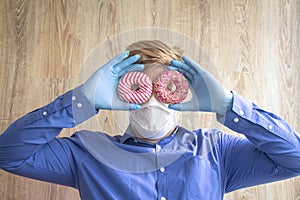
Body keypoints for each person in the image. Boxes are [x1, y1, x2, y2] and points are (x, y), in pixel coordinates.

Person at [0, 40, 299, 200]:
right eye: (139, 88)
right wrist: (81, 101)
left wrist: (229, 105)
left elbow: (295, 158)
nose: (153, 99)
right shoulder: (87, 154)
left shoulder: (217, 152)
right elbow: (8, 154)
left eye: (166, 87)